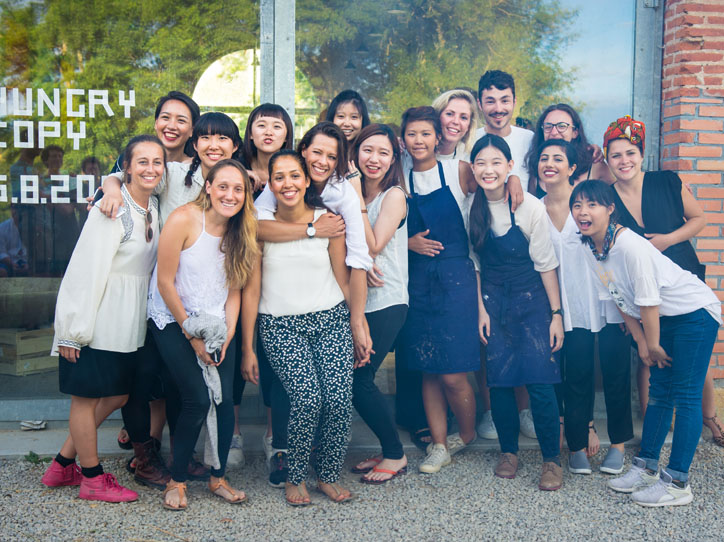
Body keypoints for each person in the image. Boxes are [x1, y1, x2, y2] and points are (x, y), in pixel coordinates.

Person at [101, 111, 244, 481]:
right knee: (151, 379)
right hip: (163, 297)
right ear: (195, 144)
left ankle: (192, 464)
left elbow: (237, 281)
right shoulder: (176, 175)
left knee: (195, 394)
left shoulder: (240, 198)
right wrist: (111, 186)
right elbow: (133, 173)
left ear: (235, 146)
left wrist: (227, 332)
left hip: (208, 305)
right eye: (206, 137)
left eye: (223, 138)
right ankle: (147, 455)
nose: (214, 144)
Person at [570, 179, 721, 507]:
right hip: (663, 318)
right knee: (660, 393)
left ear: (610, 209)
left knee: (686, 395)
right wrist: (641, 341)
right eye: (577, 205)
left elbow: (648, 301)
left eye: (592, 204)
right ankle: (646, 468)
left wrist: (651, 344)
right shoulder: (593, 248)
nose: (583, 212)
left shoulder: (629, 246)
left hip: (694, 313)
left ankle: (678, 483)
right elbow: (617, 298)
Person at [40, 135, 164, 503]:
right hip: (97, 316)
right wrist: (72, 331)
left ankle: (62, 464)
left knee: (118, 395)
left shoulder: (153, 205)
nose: (151, 169)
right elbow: (84, 271)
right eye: (142, 162)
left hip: (127, 322)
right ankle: (92, 478)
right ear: (126, 167)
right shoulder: (111, 210)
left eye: (157, 162)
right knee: (85, 399)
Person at [250, 122, 373, 488]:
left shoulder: (331, 218)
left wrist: (357, 324)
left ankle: (329, 476)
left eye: (295, 177)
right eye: (279, 178)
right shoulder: (261, 217)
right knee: (306, 399)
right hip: (281, 325)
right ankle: (295, 477)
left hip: (330, 319)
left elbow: (346, 275)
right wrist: (247, 346)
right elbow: (252, 244)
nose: (288, 183)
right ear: (270, 184)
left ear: (306, 180)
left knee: (338, 400)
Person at [602, 115, 722, 448]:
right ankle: (654, 426)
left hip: (682, 275)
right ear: (607, 160)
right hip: (642, 290)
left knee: (695, 359)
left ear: (642, 154)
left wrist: (667, 240)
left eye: (630, 153)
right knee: (651, 356)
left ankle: (710, 417)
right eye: (615, 155)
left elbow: (699, 218)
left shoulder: (667, 181)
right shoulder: (607, 200)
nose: (624, 161)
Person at [148, 159, 257, 510]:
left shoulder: (242, 229)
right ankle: (176, 480)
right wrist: (192, 337)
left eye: (238, 189)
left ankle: (218, 478)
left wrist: (228, 334)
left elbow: (235, 289)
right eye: (222, 186)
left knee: (223, 399)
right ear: (208, 188)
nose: (230, 195)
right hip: (173, 317)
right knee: (197, 398)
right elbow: (165, 283)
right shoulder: (184, 219)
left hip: (216, 322)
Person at [469, 134, 564, 490]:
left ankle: (551, 460)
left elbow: (546, 263)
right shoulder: (471, 207)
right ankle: (508, 452)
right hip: (493, 301)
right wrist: (481, 310)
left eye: (496, 162)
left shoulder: (530, 207)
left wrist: (556, 314)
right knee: (500, 382)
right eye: (481, 163)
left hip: (532, 300)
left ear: (510, 166)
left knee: (541, 381)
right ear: (473, 168)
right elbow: (474, 264)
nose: (488, 170)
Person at [538, 138, 633, 475]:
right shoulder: (534, 208)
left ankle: (618, 445)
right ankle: (576, 446)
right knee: (575, 375)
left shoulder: (586, 201)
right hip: (569, 306)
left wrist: (628, 311)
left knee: (616, 374)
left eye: (558, 158)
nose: (550, 164)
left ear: (572, 167)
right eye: (544, 158)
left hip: (607, 303)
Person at [396, 106, 479, 474]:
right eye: (412, 134)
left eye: (425, 134)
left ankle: (468, 433)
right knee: (427, 369)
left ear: (438, 137)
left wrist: (512, 182)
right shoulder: (399, 176)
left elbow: (493, 191)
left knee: (453, 373)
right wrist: (406, 243)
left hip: (456, 279)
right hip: (418, 281)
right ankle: (440, 445)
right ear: (403, 139)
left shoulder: (459, 170)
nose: (419, 141)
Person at [474, 70, 538, 438]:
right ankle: (490, 411)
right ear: (480, 103)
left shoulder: (528, 139)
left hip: (523, 246)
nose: (498, 108)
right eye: (490, 101)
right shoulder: (471, 139)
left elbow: (562, 159)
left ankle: (524, 409)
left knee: (523, 334)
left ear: (515, 101)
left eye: (504, 100)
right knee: (489, 338)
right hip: (484, 238)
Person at [347, 124, 409, 483]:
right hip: (356, 297)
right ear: (356, 152)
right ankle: (388, 449)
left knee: (360, 379)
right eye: (368, 150)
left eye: (383, 153)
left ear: (393, 158)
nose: (374, 159)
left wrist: (356, 191)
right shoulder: (350, 191)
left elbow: (371, 245)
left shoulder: (394, 196)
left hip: (386, 299)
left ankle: (395, 453)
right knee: (355, 377)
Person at [526, 103, 613, 196]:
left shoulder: (594, 164)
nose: (554, 132)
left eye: (562, 126)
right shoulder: (536, 165)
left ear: (575, 132)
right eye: (548, 126)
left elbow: (616, 196)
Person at [110, 91, 200, 173]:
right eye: (165, 117)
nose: (171, 126)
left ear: (192, 130)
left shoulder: (197, 169)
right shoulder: (131, 158)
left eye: (181, 120)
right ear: (156, 123)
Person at [240, 103, 294, 196]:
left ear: (286, 136)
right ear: (250, 134)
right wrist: (238, 173)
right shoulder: (238, 165)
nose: (268, 132)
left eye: (277, 126)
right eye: (261, 125)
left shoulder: (297, 168)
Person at [431, 89, 479, 161]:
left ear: (469, 126)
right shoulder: (416, 151)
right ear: (437, 116)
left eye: (463, 117)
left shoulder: (471, 158)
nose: (456, 122)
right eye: (449, 114)